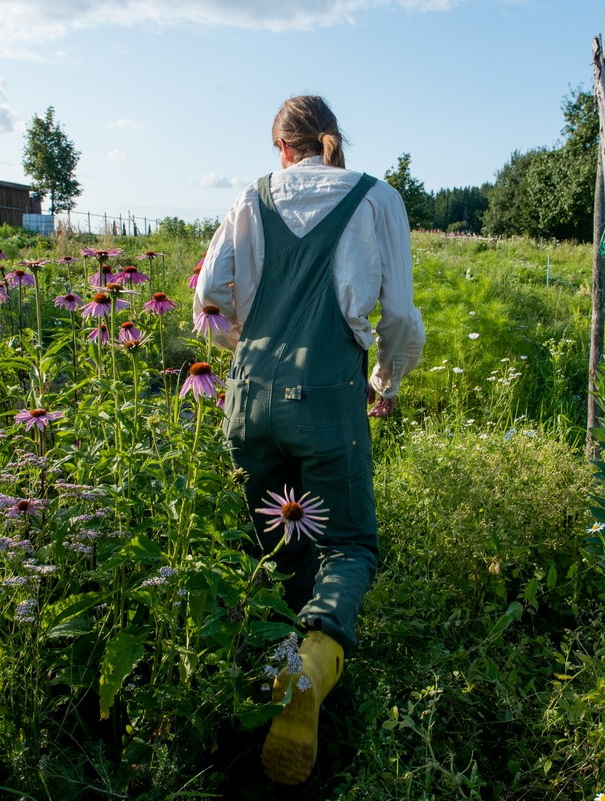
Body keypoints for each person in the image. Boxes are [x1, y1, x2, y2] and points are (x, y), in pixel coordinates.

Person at [194, 95, 424, 784]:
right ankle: (313, 665)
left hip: (250, 395)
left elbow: (209, 290)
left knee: (269, 537)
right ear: (327, 141)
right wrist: (384, 381)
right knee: (346, 542)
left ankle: (263, 675)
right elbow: (403, 318)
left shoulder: (248, 198)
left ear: (282, 149)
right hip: (329, 397)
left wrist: (247, 345)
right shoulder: (377, 198)